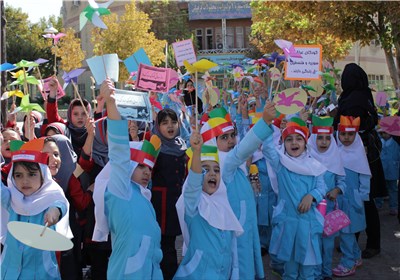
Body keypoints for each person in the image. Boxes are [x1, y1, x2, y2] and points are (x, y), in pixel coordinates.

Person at [92, 78, 163, 279]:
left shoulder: (144, 197)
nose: (147, 172)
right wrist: (112, 104)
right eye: (140, 166)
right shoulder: (120, 190)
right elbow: (119, 153)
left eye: (149, 168)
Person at [261, 111, 328, 280]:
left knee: (308, 272)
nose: (294, 143)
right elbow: (267, 147)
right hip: (288, 225)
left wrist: (311, 196)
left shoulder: (314, 165)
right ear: (283, 144)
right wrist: (271, 123)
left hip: (308, 225)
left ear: (306, 143)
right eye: (289, 139)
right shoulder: (281, 163)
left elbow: (322, 187)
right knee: (290, 272)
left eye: (299, 139)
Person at [200, 107, 265, 279]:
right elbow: (241, 152)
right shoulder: (223, 164)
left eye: (232, 135)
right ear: (212, 143)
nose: (231, 140)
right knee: (238, 264)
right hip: (234, 226)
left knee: (245, 259)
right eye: (224, 137)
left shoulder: (232, 163)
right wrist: (264, 122)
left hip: (245, 224)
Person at [174, 132, 243, 279]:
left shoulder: (224, 206)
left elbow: (232, 250)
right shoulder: (194, 205)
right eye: (205, 169)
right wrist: (197, 152)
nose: (212, 174)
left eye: (216, 170)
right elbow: (193, 185)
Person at [333, 63, 384, 259]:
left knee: (363, 198)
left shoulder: (354, 99)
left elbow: (347, 124)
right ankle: (352, 240)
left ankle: (370, 243)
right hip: (363, 152)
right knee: (356, 199)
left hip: (359, 154)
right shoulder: (362, 95)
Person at [0, 140, 72, 279]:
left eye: (32, 174)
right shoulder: (11, 198)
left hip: (41, 274)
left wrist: (55, 211)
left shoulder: (52, 196)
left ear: (43, 175)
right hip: (10, 273)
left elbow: (60, 204)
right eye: (19, 175)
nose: (25, 181)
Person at [308, 115, 347, 280]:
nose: (323, 142)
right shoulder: (308, 159)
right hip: (312, 210)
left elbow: (343, 181)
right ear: (314, 139)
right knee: (314, 243)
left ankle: (326, 271)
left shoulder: (335, 157)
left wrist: (337, 190)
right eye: (320, 138)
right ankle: (316, 273)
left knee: (328, 244)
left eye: (327, 138)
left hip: (329, 211)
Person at [150, 108, 187, 279]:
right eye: (164, 123)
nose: (170, 126)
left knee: (170, 243)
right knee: (164, 245)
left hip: (176, 202)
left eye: (173, 122)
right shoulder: (155, 146)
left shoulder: (182, 145)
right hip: (160, 205)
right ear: (158, 126)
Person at [332, 115, 371, 277]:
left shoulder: (359, 153)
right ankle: (355, 256)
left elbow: (365, 176)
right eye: (343, 134)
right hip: (339, 198)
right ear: (338, 135)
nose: (346, 138)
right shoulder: (335, 152)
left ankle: (348, 262)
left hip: (353, 200)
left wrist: (362, 196)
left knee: (347, 231)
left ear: (356, 136)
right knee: (345, 230)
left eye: (350, 134)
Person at [375, 129, 399, 216]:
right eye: (381, 133)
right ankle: (378, 204)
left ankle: (393, 207)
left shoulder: (396, 143)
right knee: (380, 187)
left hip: (393, 169)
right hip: (382, 169)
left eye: (385, 133)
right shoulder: (379, 142)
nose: (383, 135)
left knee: (393, 189)